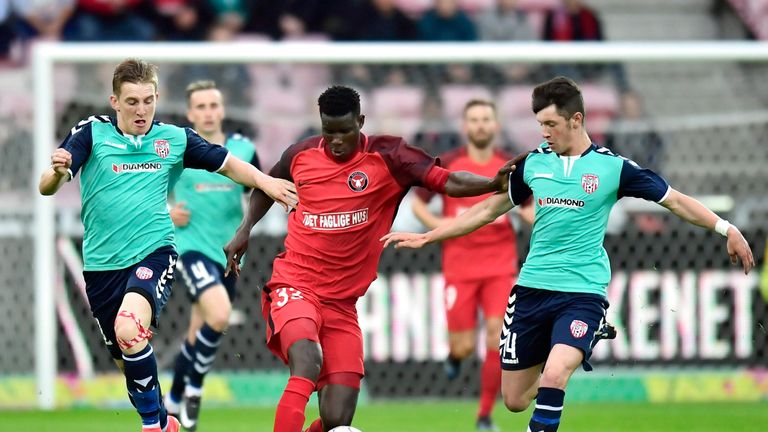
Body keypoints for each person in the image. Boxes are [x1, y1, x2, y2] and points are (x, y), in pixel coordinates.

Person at [382, 76, 754, 432]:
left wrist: (726, 228)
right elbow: (486, 210)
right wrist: (430, 236)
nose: (544, 132)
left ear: (576, 120)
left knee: (556, 373)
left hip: (582, 291)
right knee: (514, 400)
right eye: (540, 125)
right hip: (531, 291)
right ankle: (569, 349)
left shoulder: (613, 168)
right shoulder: (533, 163)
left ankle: (574, 344)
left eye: (551, 124)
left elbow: (674, 200)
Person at [222, 85, 517, 432]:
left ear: (360, 122)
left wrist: (491, 184)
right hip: (295, 284)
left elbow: (447, 181)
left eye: (345, 131)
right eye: (328, 131)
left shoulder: (390, 156)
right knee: (307, 361)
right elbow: (268, 185)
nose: (336, 141)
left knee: (337, 419)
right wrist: (245, 228)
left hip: (342, 304)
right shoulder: (300, 154)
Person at [38, 58, 297, 432]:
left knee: (129, 329)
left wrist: (266, 182)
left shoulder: (174, 139)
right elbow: (48, 185)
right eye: (132, 102)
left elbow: (228, 164)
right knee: (128, 359)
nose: (141, 110)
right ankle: (164, 421)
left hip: (154, 252)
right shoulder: (92, 133)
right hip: (101, 266)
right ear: (115, 101)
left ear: (157, 98)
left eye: (148, 101)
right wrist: (58, 171)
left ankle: (152, 427)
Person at [410, 99, 533, 431]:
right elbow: (418, 203)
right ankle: (455, 356)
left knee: (496, 335)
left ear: (496, 125)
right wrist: (438, 225)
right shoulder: (449, 163)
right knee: (464, 346)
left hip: (499, 268)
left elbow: (528, 209)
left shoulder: (511, 167)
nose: (480, 125)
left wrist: (540, 219)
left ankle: (484, 415)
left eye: (486, 119)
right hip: (460, 268)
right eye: (474, 120)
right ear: (465, 127)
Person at [162, 80, 260, 431]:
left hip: (229, 255)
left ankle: (172, 400)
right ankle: (195, 390)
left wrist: (247, 226)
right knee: (219, 314)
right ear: (190, 114)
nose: (208, 112)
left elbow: (258, 190)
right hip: (191, 249)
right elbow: (147, 190)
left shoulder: (243, 150)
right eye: (200, 107)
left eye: (213, 105)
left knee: (198, 330)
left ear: (222, 110)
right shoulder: (178, 149)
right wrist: (166, 211)